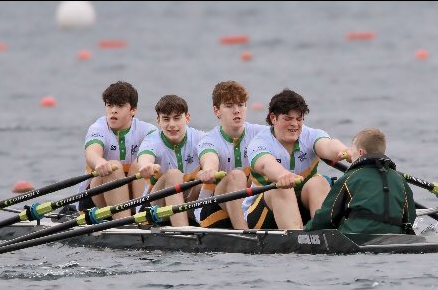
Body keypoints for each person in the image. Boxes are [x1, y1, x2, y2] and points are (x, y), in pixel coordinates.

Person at [243, 88, 349, 230]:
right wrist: (282, 175)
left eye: (299, 119)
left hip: (300, 207)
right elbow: (266, 164)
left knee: (320, 181)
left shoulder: (311, 135)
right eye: (288, 119)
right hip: (262, 214)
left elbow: (328, 145)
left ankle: (324, 233)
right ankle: (297, 240)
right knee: (281, 187)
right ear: (273, 118)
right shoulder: (259, 142)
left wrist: (345, 151)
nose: (295, 124)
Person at [304, 127, 416, 235]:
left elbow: (328, 216)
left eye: (352, 150)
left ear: (361, 153)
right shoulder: (400, 180)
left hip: (355, 235)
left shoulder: (350, 177)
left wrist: (306, 230)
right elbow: (410, 216)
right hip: (394, 237)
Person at [195, 81, 270, 229]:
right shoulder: (209, 139)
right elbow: (209, 157)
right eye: (229, 106)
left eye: (241, 105)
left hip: (249, 203)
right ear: (217, 111)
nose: (237, 110)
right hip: (212, 209)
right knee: (236, 175)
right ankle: (245, 234)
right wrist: (209, 170)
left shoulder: (261, 133)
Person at [79, 81, 157, 219]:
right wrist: (98, 162)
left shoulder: (148, 131)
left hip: (136, 195)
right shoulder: (98, 128)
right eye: (109, 105)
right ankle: (124, 222)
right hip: (98, 199)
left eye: (120, 106)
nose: (113, 110)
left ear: (133, 110)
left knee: (140, 165)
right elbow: (92, 152)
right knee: (114, 167)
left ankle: (139, 217)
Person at [136, 94, 205, 227]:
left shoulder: (200, 138)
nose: (172, 125)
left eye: (177, 118)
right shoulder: (152, 140)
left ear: (187, 118)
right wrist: (146, 166)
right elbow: (145, 156)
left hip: (188, 202)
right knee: (173, 174)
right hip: (155, 207)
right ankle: (183, 232)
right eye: (166, 119)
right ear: (159, 121)